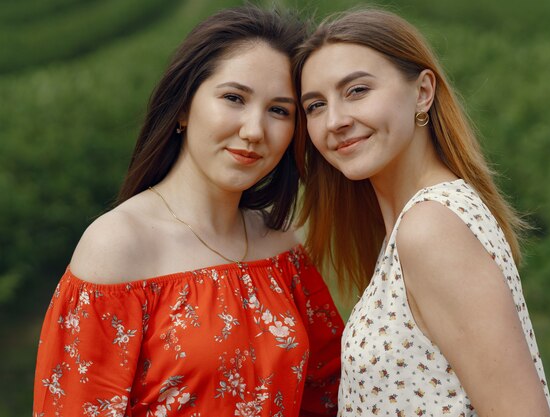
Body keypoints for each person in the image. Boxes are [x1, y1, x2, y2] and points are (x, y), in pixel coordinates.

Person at [33, 6, 344, 416]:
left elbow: (329, 391)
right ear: (183, 107)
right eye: (234, 98)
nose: (254, 130)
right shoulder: (117, 246)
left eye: (279, 110)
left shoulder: (280, 244)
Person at [294, 8, 550, 417]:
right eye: (315, 106)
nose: (336, 120)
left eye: (357, 90)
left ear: (422, 92)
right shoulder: (416, 222)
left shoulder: (432, 228)